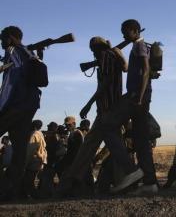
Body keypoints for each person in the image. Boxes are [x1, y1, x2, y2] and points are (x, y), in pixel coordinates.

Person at [59, 36, 127, 196]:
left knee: (90, 148)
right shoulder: (111, 56)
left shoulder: (105, 56)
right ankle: (123, 180)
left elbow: (106, 83)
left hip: (106, 109)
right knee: (110, 147)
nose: (93, 54)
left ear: (96, 49)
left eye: (93, 50)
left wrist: (89, 103)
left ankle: (70, 184)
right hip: (111, 109)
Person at [99, 19, 158, 194]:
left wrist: (139, 96)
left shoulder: (139, 46)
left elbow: (146, 70)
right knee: (141, 141)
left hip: (135, 96)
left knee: (107, 127)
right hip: (140, 96)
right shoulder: (140, 46)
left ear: (134, 30)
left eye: (125, 31)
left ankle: (132, 171)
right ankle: (150, 183)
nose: (123, 35)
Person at [0, 26, 42, 200]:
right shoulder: (27, 53)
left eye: (3, 39)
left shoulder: (16, 52)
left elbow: (13, 78)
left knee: (18, 150)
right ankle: (12, 191)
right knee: (19, 150)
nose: (1, 42)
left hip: (15, 105)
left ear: (10, 37)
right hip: (28, 106)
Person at [23, 120, 47, 198]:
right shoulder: (40, 134)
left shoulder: (34, 135)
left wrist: (25, 163)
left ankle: (34, 196)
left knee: (29, 180)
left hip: (34, 160)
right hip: (40, 160)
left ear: (34, 126)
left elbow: (30, 150)